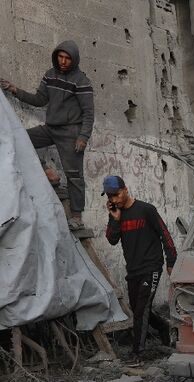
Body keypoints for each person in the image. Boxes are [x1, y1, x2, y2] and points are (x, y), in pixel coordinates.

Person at [2, 41, 94, 231]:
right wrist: (15, 90)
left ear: (74, 59)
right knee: (22, 141)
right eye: (60, 57)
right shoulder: (50, 75)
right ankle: (48, 173)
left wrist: (83, 137)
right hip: (51, 128)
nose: (63, 61)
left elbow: (88, 113)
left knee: (74, 175)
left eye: (67, 58)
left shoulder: (81, 81)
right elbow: (39, 100)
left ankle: (77, 217)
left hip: (71, 134)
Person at [104, 176, 176, 360]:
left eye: (116, 195)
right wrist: (115, 219)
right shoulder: (116, 214)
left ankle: (138, 352)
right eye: (110, 196)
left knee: (141, 309)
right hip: (133, 269)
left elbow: (164, 234)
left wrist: (171, 261)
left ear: (126, 190)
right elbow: (112, 240)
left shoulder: (146, 210)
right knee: (138, 308)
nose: (113, 200)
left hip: (151, 266)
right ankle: (162, 327)